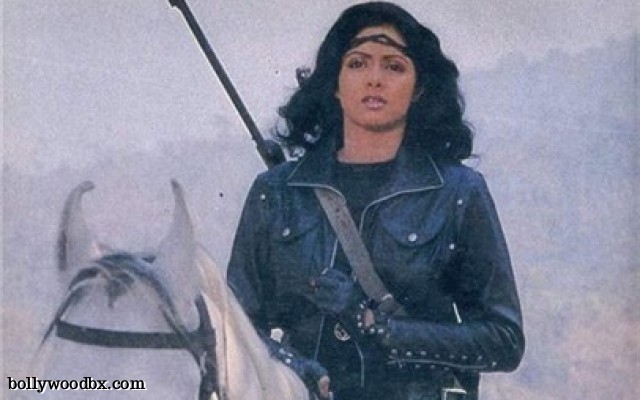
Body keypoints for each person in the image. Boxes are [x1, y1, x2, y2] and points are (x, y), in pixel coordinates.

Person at [227, 2, 525, 399]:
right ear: (335, 82)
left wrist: (378, 326)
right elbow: (236, 327)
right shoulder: (276, 192)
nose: (374, 79)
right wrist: (295, 368)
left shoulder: (458, 192)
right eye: (357, 63)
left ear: (419, 88)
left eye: (394, 66)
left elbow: (504, 340)